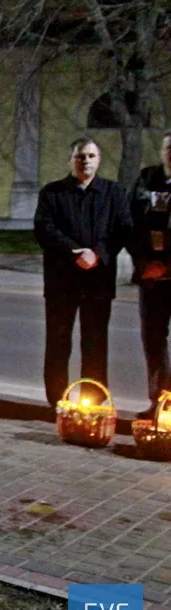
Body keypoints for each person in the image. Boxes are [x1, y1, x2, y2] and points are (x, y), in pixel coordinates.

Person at [34, 137, 133, 407]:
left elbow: (123, 229)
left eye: (90, 156)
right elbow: (44, 229)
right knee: (58, 342)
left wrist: (97, 253)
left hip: (98, 281)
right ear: (71, 160)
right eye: (80, 156)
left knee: (95, 343)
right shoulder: (52, 193)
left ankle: (93, 400)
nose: (85, 161)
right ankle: (58, 400)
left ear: (98, 160)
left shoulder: (114, 193)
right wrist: (74, 252)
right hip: (61, 281)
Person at [130, 130, 171, 418]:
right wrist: (144, 262)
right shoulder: (146, 179)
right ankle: (160, 402)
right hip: (151, 278)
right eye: (169, 147)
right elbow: (129, 222)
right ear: (161, 151)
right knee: (153, 340)